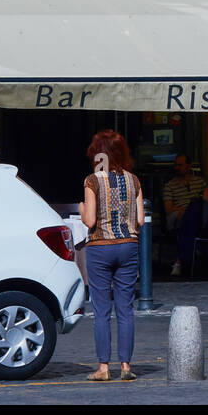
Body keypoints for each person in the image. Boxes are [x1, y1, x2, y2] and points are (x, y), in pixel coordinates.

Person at [80, 130, 144, 382]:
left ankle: (104, 368)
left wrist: (82, 207)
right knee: (126, 309)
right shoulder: (134, 180)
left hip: (100, 247)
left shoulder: (93, 180)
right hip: (128, 245)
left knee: (102, 309)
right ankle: (126, 365)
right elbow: (139, 220)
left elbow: (90, 220)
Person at [163, 155, 205, 278]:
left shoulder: (200, 182)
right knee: (187, 215)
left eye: (180, 165)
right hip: (176, 216)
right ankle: (188, 255)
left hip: (195, 217)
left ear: (188, 166)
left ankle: (179, 261)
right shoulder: (169, 185)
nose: (177, 168)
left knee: (193, 213)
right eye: (175, 165)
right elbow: (168, 209)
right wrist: (185, 210)